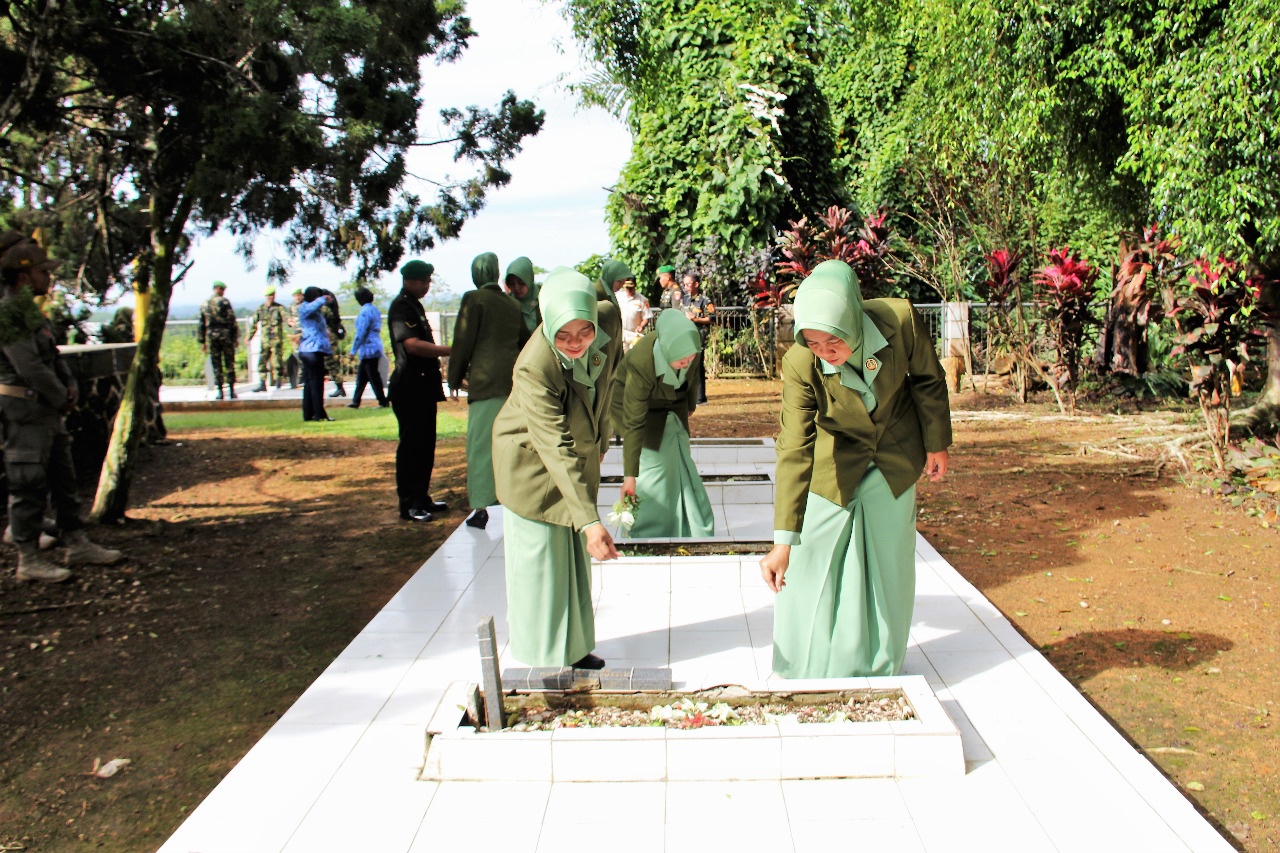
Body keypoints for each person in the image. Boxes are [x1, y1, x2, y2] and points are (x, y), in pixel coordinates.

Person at [758, 260, 952, 679]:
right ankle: (800, 663)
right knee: (811, 558)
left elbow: (927, 379)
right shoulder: (800, 363)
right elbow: (794, 446)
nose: (825, 353)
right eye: (813, 343)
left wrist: (936, 442)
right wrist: (783, 541)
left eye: (834, 341)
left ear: (853, 321)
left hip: (894, 454)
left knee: (888, 561)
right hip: (835, 458)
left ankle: (880, 663)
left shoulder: (900, 321)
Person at [493, 267, 619, 669]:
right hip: (530, 464)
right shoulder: (533, 366)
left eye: (583, 331)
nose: (575, 343)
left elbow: (608, 383)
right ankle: (541, 660)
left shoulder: (608, 321)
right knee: (543, 564)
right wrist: (590, 520)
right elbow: (553, 444)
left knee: (574, 562)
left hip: (574, 452)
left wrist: (602, 440)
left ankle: (574, 649)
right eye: (562, 335)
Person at [0, 238, 122, 582]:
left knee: (63, 478)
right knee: (27, 483)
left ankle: (77, 542)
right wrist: (59, 395)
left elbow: (51, 356)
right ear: (23, 277)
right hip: (23, 410)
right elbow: (28, 366)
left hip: (44, 409)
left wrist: (68, 385)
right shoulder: (8, 313)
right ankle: (28, 558)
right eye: (42, 271)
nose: (48, 278)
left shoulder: (28, 312)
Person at [613, 309, 714, 537]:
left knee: (680, 460)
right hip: (635, 409)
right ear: (667, 351)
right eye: (681, 360)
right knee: (653, 467)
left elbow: (692, 379)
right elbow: (634, 422)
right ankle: (647, 532)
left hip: (672, 403)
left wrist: (689, 406)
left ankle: (687, 525)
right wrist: (630, 476)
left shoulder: (690, 347)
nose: (687, 363)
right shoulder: (642, 363)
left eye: (690, 358)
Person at [447, 252, 524, 529]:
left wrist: (453, 378)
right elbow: (523, 340)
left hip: (484, 383)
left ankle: (481, 507)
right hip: (511, 383)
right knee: (511, 445)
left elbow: (463, 341)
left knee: (480, 446)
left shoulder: (474, 299)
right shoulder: (512, 304)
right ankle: (512, 501)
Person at [387, 260, 450, 522]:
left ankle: (422, 497)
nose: (427, 285)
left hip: (423, 387)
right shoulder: (401, 307)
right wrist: (450, 350)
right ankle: (409, 503)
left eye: (428, 280)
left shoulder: (415, 305)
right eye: (423, 281)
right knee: (412, 447)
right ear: (408, 280)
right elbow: (412, 345)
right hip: (409, 387)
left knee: (425, 445)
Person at [296, 286, 335, 422]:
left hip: (315, 350)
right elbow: (312, 307)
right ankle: (318, 413)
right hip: (310, 350)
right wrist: (323, 299)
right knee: (316, 383)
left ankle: (310, 413)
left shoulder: (317, 312)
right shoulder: (304, 308)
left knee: (310, 383)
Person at [347, 286, 388, 408]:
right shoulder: (374, 310)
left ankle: (382, 400)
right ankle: (356, 400)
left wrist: (353, 350)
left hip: (368, 348)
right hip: (375, 345)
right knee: (362, 376)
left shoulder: (365, 312)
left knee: (372, 376)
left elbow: (361, 332)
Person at [197, 281, 239, 399]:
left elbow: (201, 323)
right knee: (229, 363)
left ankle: (220, 391)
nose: (223, 292)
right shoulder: (224, 302)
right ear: (218, 289)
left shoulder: (205, 303)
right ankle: (231, 390)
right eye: (223, 290)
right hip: (225, 336)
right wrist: (235, 337)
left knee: (216, 364)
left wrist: (202, 341)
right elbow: (232, 320)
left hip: (212, 337)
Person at [247, 285, 288, 391]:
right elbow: (254, 324)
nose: (271, 297)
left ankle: (278, 382)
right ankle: (262, 383)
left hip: (276, 340)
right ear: (266, 296)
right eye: (269, 295)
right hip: (265, 341)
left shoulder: (279, 308)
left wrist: (290, 322)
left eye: (273, 295)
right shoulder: (261, 309)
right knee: (262, 362)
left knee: (277, 362)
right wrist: (249, 337)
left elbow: (286, 317)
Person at [682, 272, 715, 403]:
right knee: (686, 365)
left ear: (696, 284)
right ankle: (688, 394)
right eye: (684, 284)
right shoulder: (685, 299)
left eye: (688, 284)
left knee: (697, 365)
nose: (686, 287)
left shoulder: (705, 300)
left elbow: (712, 319)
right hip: (686, 335)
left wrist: (696, 319)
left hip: (698, 336)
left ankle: (700, 397)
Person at [504, 256, 541, 335]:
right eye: (512, 283)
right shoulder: (507, 303)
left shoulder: (544, 295)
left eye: (521, 282)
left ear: (529, 278)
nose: (516, 288)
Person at [322, 289, 347, 398]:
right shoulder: (333, 309)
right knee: (332, 364)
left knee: (331, 363)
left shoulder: (325, 309)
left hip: (328, 339)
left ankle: (340, 387)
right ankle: (339, 386)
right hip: (332, 339)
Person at [617, 276, 651, 352]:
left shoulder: (642, 300)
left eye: (630, 288)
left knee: (634, 355)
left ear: (635, 285)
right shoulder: (619, 297)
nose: (628, 290)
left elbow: (646, 317)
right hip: (622, 333)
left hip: (634, 334)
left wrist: (641, 326)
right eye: (627, 288)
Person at [283, 287, 303, 389]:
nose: (297, 297)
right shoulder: (292, 306)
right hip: (295, 333)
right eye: (295, 296)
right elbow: (289, 319)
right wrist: (289, 323)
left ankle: (303, 376)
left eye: (298, 295)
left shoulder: (305, 304)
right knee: (297, 355)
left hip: (305, 333)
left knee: (305, 355)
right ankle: (298, 378)